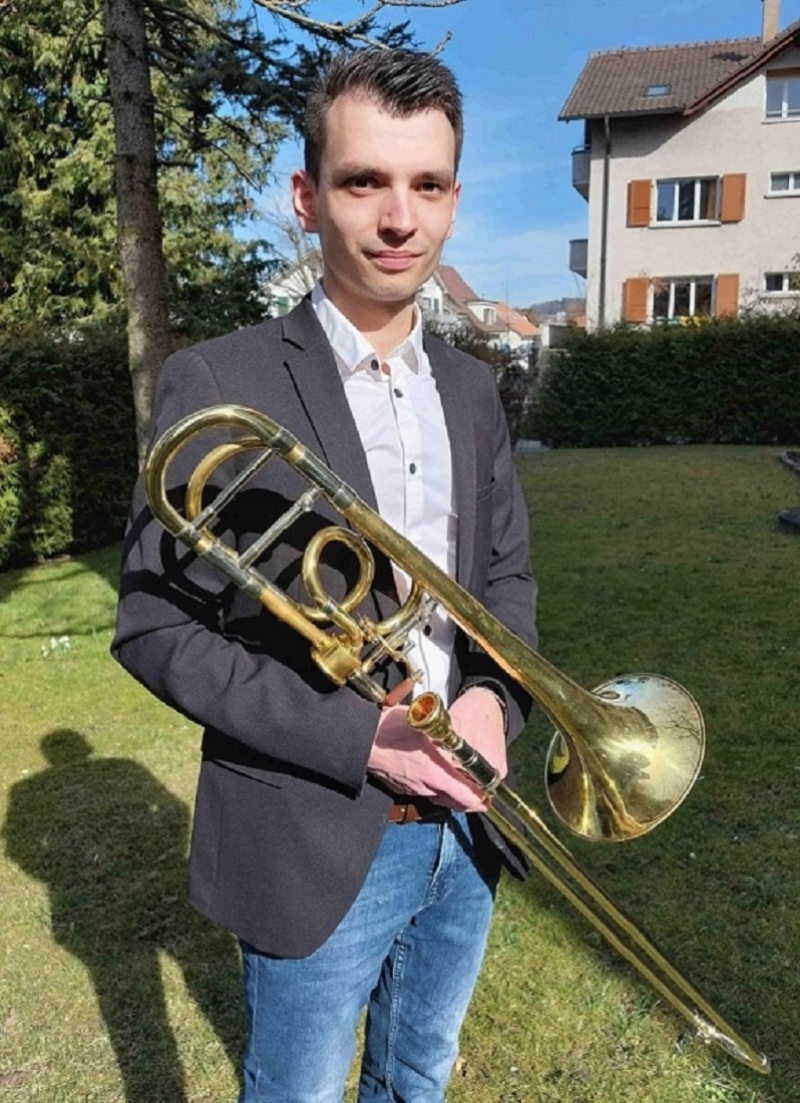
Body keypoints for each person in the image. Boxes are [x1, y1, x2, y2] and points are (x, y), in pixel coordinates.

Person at [112, 46, 537, 1102]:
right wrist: (365, 739)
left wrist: (491, 698)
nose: (398, 218)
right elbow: (153, 626)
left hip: (467, 824)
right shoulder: (219, 380)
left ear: (451, 199)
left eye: (425, 184)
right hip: (313, 825)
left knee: (418, 1074)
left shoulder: (474, 390)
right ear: (307, 198)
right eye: (364, 181)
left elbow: (503, 577)